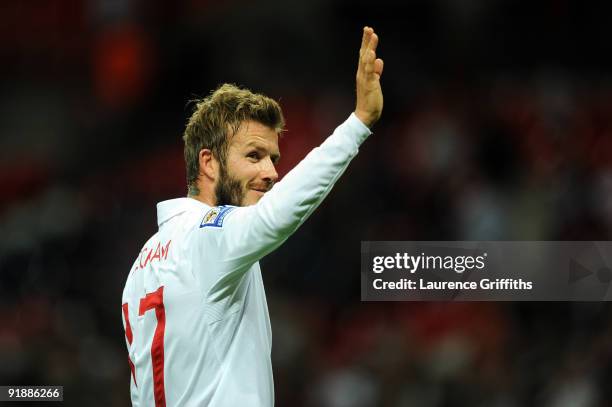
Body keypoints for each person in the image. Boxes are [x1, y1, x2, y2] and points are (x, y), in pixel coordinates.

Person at [121, 26, 384, 406]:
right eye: (253, 156)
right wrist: (358, 123)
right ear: (208, 163)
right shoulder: (206, 235)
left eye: (273, 159)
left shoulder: (140, 267)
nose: (272, 173)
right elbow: (272, 219)